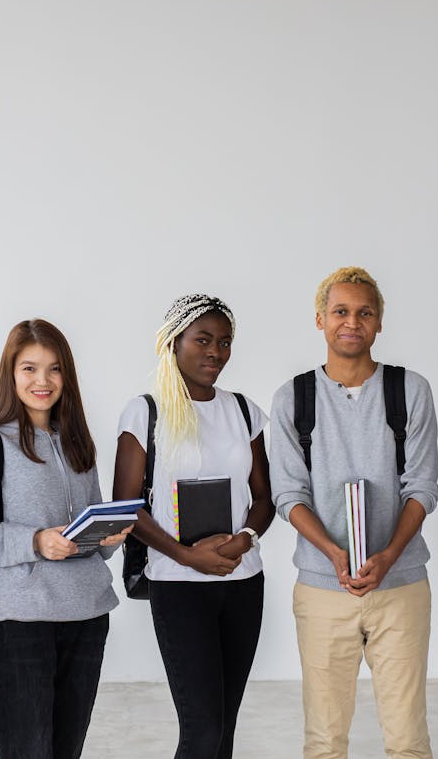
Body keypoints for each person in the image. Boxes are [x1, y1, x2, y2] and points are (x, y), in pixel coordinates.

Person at [269, 266, 438, 759]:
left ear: (380, 322)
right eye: (340, 311)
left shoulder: (410, 391)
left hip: (401, 584)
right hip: (323, 587)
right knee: (324, 740)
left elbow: (422, 486)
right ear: (320, 320)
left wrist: (387, 555)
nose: (352, 322)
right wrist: (333, 553)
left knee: (408, 738)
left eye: (365, 312)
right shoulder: (293, 398)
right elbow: (289, 494)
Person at [0, 319, 131, 759]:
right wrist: (35, 541)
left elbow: (89, 533)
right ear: (10, 374)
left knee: (67, 749)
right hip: (21, 620)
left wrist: (110, 538)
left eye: (54, 369)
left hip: (87, 615)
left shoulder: (77, 443)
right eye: (29, 368)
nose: (42, 381)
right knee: (27, 751)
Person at [112, 294, 273, 759]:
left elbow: (263, 497)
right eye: (203, 339)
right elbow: (125, 506)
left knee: (223, 729)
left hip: (242, 582)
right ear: (173, 342)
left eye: (224, 342)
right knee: (201, 730)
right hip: (179, 585)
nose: (215, 352)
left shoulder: (244, 410)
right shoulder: (146, 411)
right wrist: (186, 555)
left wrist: (244, 540)